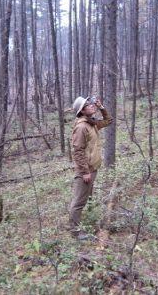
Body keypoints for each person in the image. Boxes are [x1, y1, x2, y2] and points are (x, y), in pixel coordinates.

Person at [69, 96, 112, 240]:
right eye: (88, 105)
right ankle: (76, 233)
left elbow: (108, 121)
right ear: (82, 110)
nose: (92, 106)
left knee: (86, 197)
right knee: (78, 202)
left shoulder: (91, 123)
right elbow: (78, 151)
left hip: (92, 168)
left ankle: (87, 221)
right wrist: (85, 172)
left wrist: (101, 107)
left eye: (91, 104)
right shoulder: (81, 127)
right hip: (86, 171)